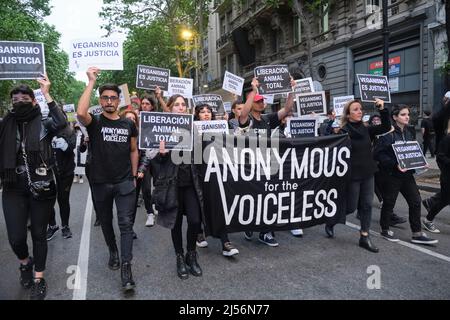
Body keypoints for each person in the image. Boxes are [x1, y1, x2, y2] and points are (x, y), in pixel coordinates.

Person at [0, 75, 67, 299]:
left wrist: (46, 93)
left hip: (41, 186)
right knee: (16, 238)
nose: (19, 101)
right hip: (12, 186)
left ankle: (39, 277)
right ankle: (25, 262)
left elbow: (64, 126)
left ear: (34, 101)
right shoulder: (5, 125)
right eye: (15, 98)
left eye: (25, 97)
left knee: (38, 234)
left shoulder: (45, 123)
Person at [77, 67, 139, 292]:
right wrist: (91, 81)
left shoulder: (128, 124)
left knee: (125, 224)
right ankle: (112, 250)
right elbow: (80, 112)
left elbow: (134, 150)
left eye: (113, 98)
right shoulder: (95, 123)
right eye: (105, 98)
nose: (109, 101)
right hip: (100, 183)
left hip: (124, 182)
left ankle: (126, 266)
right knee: (105, 222)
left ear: (119, 100)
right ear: (101, 101)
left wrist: (133, 176)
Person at [149, 94, 205, 279]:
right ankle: (179, 257)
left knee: (195, 221)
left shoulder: (192, 127)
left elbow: (200, 153)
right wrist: (162, 153)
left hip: (190, 182)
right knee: (176, 222)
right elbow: (152, 159)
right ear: (170, 108)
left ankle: (191, 254)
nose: (181, 107)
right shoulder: (161, 127)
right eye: (177, 105)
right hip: (171, 184)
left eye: (183, 105)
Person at [325, 99, 390, 253]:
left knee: (367, 205)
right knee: (351, 207)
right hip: (352, 175)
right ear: (348, 115)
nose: (360, 111)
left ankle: (364, 237)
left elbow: (386, 127)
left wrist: (382, 109)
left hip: (368, 173)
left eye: (360, 109)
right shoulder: (343, 132)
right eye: (355, 109)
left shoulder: (367, 129)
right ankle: (331, 221)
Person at [238, 78, 295, 247]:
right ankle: (249, 225)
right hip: (250, 167)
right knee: (252, 198)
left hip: (268, 166)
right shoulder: (247, 121)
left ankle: (266, 232)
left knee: (268, 198)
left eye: (262, 100)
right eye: (258, 101)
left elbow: (287, 109)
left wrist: (291, 91)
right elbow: (242, 114)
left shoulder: (268, 118)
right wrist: (253, 90)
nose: (262, 102)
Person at [374, 104, 438, 245]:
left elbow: (412, 152)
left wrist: (420, 162)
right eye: (403, 114)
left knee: (415, 202)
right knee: (389, 202)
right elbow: (378, 154)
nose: (407, 117)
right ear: (395, 117)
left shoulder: (409, 132)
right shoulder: (388, 134)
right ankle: (385, 229)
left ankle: (417, 233)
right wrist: (394, 164)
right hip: (392, 175)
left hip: (407, 175)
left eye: (407, 114)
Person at [46, 121, 77, 241]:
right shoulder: (44, 130)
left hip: (66, 172)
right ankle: (52, 225)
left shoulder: (69, 131)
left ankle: (65, 226)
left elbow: (71, 148)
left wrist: (65, 146)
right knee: (47, 200)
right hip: (48, 171)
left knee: (63, 199)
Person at [421, 119, 450, 233]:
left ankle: (429, 203)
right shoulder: (447, 139)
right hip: (448, 177)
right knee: (444, 200)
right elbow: (440, 157)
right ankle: (428, 220)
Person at [136, 97, 156, 227]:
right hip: (145, 159)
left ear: (152, 106)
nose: (144, 106)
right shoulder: (136, 121)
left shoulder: (158, 120)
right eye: (142, 103)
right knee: (146, 189)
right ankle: (150, 214)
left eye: (147, 104)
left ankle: (156, 204)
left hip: (158, 158)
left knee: (160, 185)